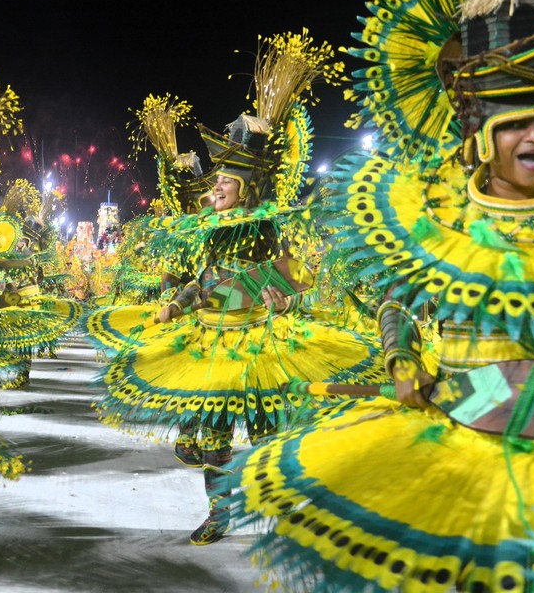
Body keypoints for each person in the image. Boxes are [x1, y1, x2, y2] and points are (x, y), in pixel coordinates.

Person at [225, 0, 534, 590]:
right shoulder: (437, 215)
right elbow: (403, 303)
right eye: (518, 123)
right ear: (478, 129)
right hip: (461, 442)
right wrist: (401, 363)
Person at [95, 31, 384, 546]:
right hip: (208, 346)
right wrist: (175, 306)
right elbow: (203, 283)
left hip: (257, 348)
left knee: (268, 436)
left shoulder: (267, 229)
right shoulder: (207, 231)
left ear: (246, 186)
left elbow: (299, 281)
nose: (214, 188)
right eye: (214, 183)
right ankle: (219, 514)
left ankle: (278, 511)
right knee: (212, 441)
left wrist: (283, 297)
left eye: (223, 182)